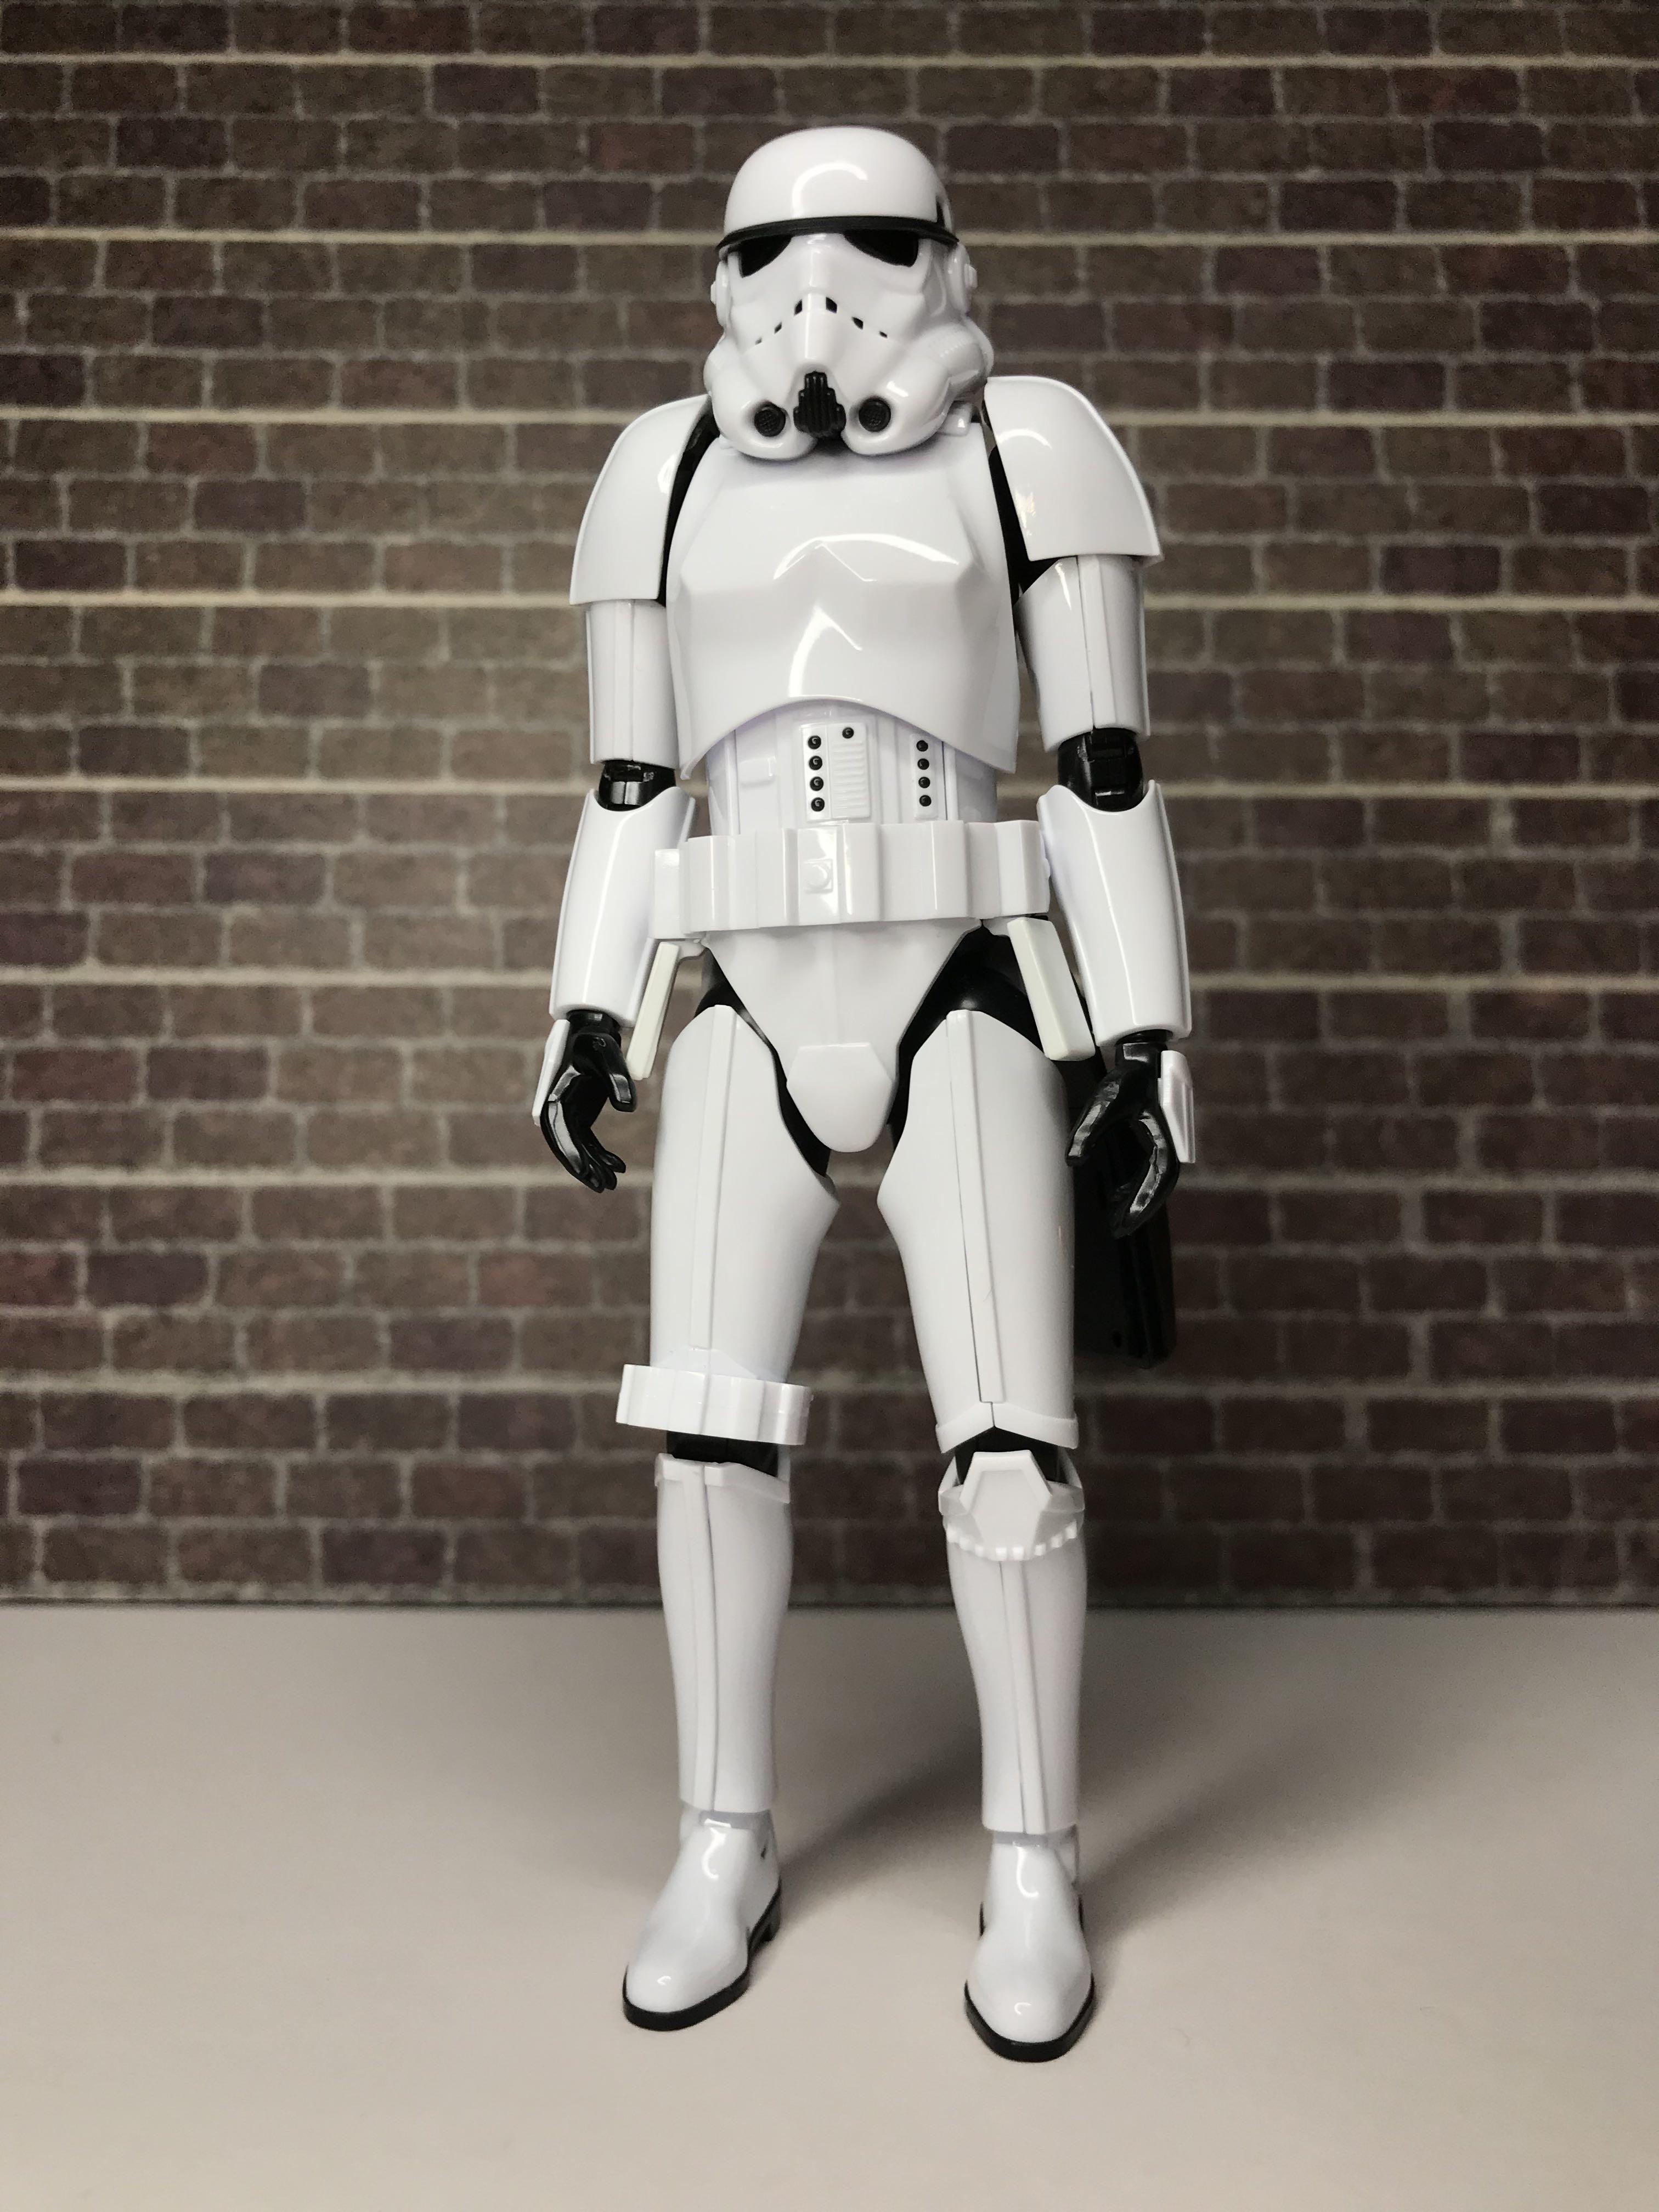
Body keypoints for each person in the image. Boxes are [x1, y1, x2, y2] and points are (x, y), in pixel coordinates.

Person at [533, 127, 1194, 2061]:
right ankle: (720, 1839)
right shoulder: (663, 472)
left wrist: (1148, 1038)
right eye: (780, 252)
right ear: (723, 279)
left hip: (961, 989)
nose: (820, 292)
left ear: (944, 261)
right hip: (741, 998)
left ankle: (1032, 1861)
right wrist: (589, 1010)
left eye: (870, 244)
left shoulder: (1027, 447)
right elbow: (630, 786)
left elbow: (1099, 768)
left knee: (1011, 1458)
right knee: (707, 1440)